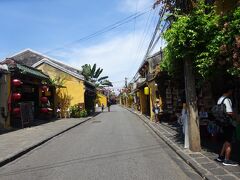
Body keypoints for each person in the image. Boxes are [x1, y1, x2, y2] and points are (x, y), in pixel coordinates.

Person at [215, 85, 238, 166]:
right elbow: (229, 112)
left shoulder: (220, 99)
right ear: (228, 91)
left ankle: (221, 156)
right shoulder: (227, 100)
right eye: (231, 91)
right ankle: (227, 160)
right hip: (228, 123)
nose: (231, 92)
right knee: (229, 141)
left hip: (222, 122)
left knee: (226, 140)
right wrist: (236, 116)